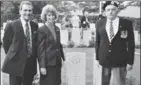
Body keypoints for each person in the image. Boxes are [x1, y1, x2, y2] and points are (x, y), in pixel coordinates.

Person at [95, 1, 135, 85]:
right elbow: (97, 42)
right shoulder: (99, 23)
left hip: (120, 60)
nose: (110, 12)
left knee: (119, 82)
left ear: (117, 11)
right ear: (105, 12)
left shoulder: (126, 23)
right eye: (108, 10)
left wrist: (130, 61)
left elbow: (131, 43)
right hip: (104, 59)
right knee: (105, 82)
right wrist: (97, 58)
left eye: (113, 9)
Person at [2, 1, 38, 85]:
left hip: (30, 64)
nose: (27, 13)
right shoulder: (11, 25)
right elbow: (6, 44)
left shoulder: (34, 26)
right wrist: (13, 55)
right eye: (25, 10)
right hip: (15, 64)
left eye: (29, 10)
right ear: (20, 11)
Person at [37, 4, 65, 85]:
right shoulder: (41, 30)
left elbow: (58, 45)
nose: (51, 17)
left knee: (57, 82)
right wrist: (42, 66)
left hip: (57, 62)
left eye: (53, 15)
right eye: (49, 15)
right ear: (45, 16)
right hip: (47, 63)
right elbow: (40, 49)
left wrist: (62, 58)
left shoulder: (57, 29)